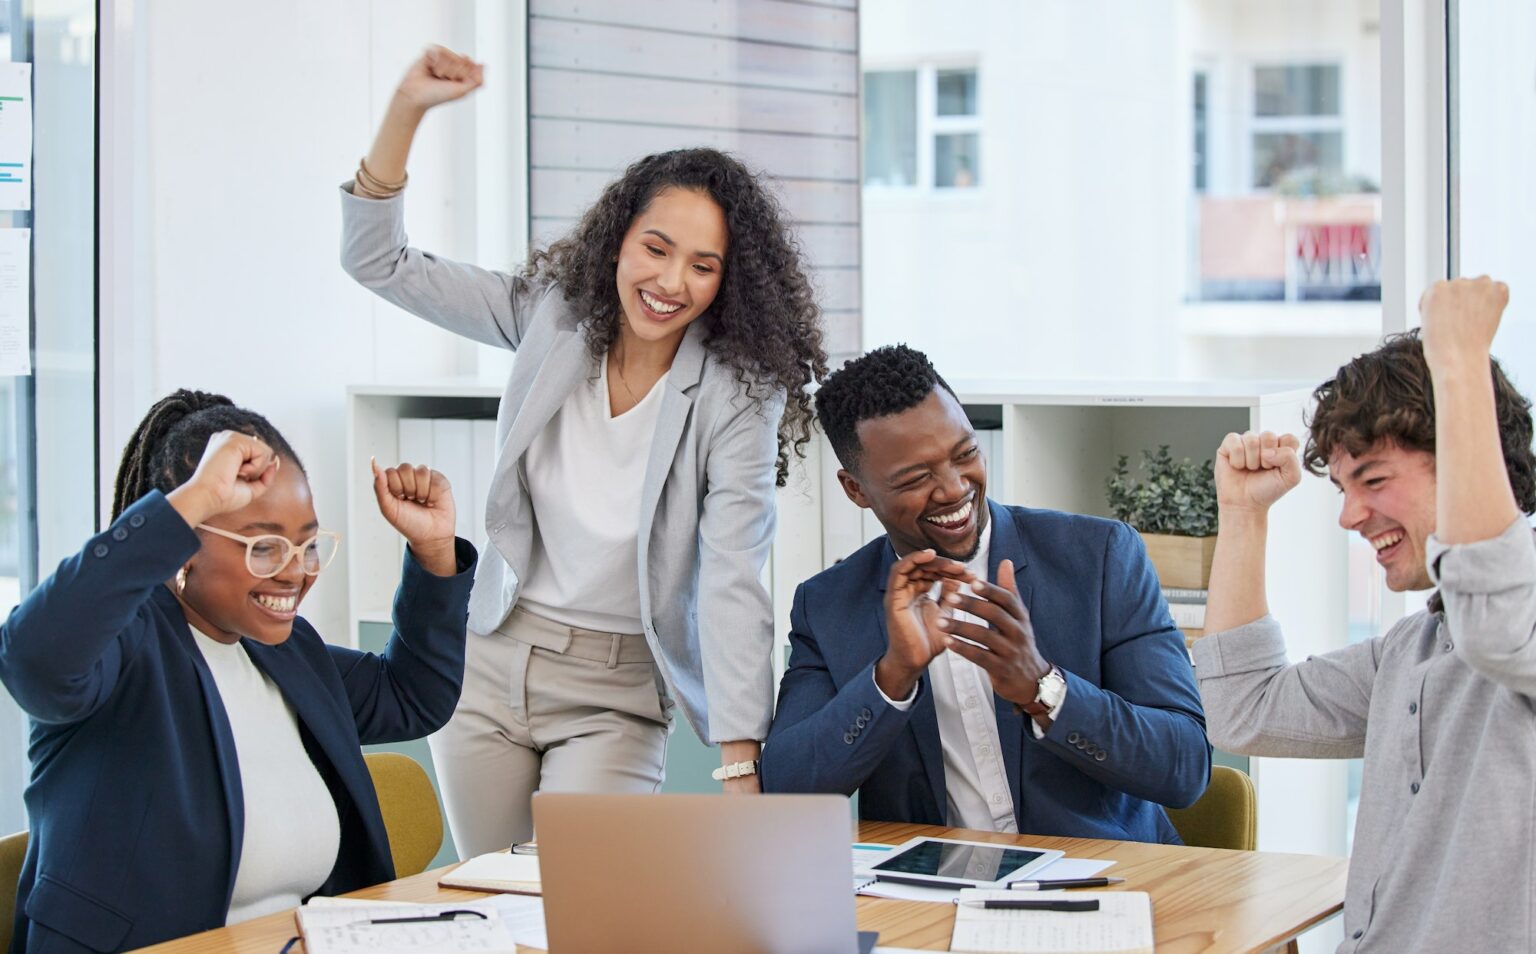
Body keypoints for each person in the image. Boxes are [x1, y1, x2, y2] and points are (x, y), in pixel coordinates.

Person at [340, 46, 828, 854]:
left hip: (616, 691)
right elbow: (378, 262)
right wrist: (407, 111)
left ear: (728, 281)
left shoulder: (740, 394)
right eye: (656, 248)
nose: (672, 281)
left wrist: (742, 765)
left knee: (583, 915)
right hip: (487, 661)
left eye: (703, 266)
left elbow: (735, 572)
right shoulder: (553, 315)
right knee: (492, 910)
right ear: (618, 240)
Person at [0, 390, 475, 953]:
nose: (295, 573)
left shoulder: (284, 650)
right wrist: (190, 500)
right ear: (183, 546)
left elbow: (412, 694)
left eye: (306, 545)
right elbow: (33, 658)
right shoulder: (122, 647)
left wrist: (434, 551)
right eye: (265, 548)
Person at [1194, 276, 1536, 952]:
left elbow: (1496, 622)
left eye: (1375, 480)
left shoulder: (1511, 627)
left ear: (1471, 460)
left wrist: (1459, 360)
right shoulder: (1412, 649)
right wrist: (1243, 516)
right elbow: (1244, 710)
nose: (1350, 516)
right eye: (1346, 489)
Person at [762, 345, 1209, 843]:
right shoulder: (828, 605)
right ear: (856, 490)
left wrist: (1044, 689)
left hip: (1105, 883)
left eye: (966, 454)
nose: (954, 489)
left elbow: (1184, 766)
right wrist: (892, 676)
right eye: (915, 478)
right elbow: (785, 792)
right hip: (933, 898)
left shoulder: (1098, 558)